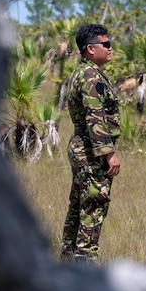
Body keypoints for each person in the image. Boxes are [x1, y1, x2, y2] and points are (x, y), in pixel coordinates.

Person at [59, 22, 121, 262]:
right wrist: (108, 154)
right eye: (105, 44)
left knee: (78, 205)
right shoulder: (90, 76)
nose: (110, 48)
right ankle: (85, 261)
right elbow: (95, 117)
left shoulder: (85, 72)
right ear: (90, 49)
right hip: (91, 152)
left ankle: (68, 258)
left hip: (83, 148)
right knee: (93, 205)